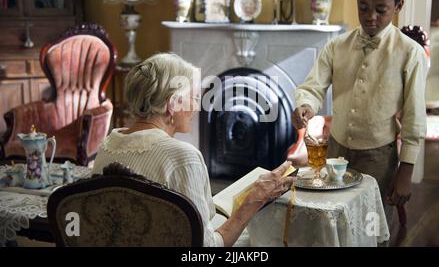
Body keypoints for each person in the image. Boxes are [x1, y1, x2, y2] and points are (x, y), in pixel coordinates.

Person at [92, 53, 296, 247]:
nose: (197, 107)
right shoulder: (182, 157)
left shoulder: (107, 145)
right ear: (173, 104)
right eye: (195, 98)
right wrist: (253, 200)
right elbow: (204, 248)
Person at [292, 0, 428, 223]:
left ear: (398, 6)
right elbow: (313, 86)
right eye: (363, 8)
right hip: (335, 148)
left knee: (370, 224)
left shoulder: (410, 53)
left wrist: (406, 171)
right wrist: (305, 105)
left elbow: (414, 116)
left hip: (379, 156)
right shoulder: (336, 45)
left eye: (381, 9)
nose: (371, 17)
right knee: (331, 217)